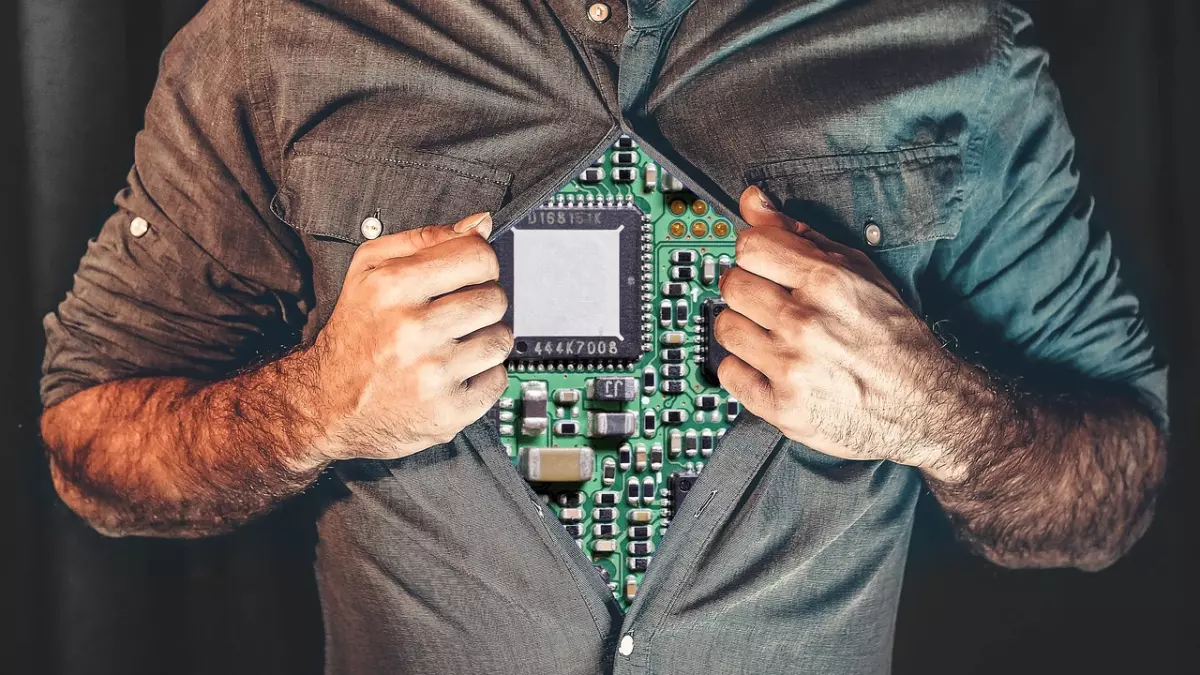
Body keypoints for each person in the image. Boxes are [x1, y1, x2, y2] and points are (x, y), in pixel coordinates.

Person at [38, 1, 1167, 674]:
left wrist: (935, 409)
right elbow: (90, 451)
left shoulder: (952, 43)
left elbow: (1114, 496)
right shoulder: (279, 35)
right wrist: (316, 405)